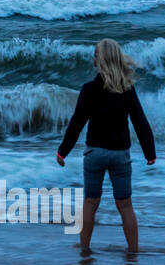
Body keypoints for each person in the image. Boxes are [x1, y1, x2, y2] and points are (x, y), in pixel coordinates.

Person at [56, 39, 156, 253]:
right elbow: (140, 121)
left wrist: (62, 151)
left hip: (95, 153)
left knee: (90, 203)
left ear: (97, 61)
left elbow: (76, 123)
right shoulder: (127, 90)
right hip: (120, 154)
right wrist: (150, 152)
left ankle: (84, 248)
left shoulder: (89, 89)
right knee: (125, 205)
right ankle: (133, 251)